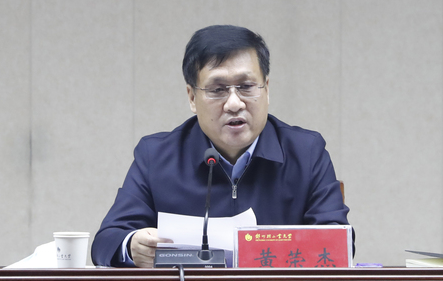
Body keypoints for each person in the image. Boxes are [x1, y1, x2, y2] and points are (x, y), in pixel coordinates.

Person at [91, 25, 352, 267]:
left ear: (267, 89)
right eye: (217, 90)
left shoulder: (306, 152)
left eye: (246, 86)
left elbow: (339, 243)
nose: (234, 103)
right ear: (192, 97)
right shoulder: (157, 156)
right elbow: (107, 241)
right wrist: (133, 246)